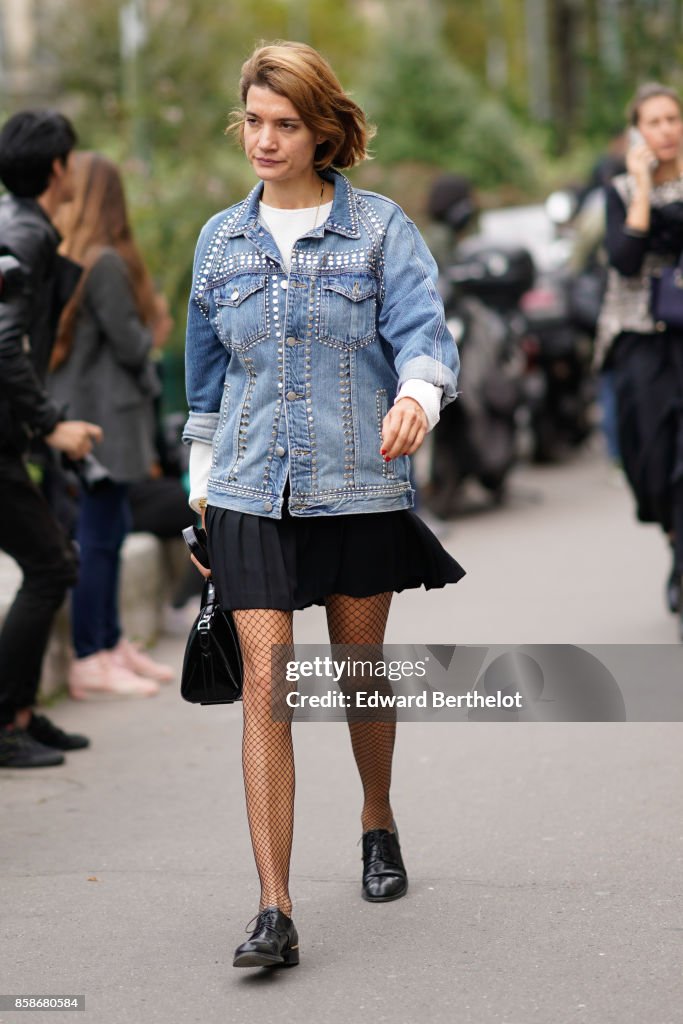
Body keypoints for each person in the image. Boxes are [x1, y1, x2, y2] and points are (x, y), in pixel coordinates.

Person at [183, 41, 465, 969]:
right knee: (266, 686)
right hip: (249, 490)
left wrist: (416, 398)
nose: (264, 140)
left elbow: (426, 338)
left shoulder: (380, 231)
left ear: (322, 131)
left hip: (355, 483)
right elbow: (204, 389)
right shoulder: (220, 240)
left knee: (356, 668)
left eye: (285, 125)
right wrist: (199, 492)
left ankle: (375, 818)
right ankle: (274, 907)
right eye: (254, 122)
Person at [49, 152, 175, 699]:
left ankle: (110, 642)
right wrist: (159, 332)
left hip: (88, 412)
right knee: (99, 537)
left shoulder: (70, 254)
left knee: (109, 528)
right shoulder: (103, 263)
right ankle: (91, 656)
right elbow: (130, 344)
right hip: (106, 419)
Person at [0, 110, 104, 769]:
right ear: (59, 167)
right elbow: (5, 340)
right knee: (52, 564)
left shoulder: (19, 227)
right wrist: (49, 422)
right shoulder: (24, 234)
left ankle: (21, 712)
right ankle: (7, 721)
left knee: (51, 558)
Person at [595, 82, 683, 634]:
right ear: (637, 133)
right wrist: (646, 193)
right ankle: (676, 543)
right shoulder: (623, 188)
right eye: (654, 121)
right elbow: (625, 260)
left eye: (673, 119)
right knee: (650, 465)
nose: (666, 129)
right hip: (638, 345)